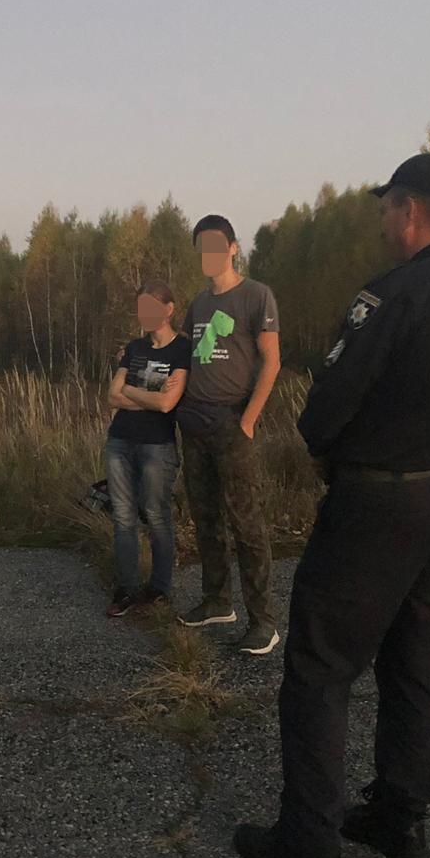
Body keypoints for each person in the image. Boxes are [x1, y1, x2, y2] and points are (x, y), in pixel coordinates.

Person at [234, 153, 430, 858]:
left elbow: (325, 410)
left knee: (319, 666)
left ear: (410, 210)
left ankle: (309, 840)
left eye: (386, 209)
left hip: (376, 503)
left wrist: (332, 449)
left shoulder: (390, 295)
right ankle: (400, 819)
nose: (383, 224)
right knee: (418, 665)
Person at [175, 214, 281, 655]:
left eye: (216, 245)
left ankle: (263, 622)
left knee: (246, 524)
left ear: (233, 248)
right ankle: (217, 602)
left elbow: (271, 361)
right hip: (195, 422)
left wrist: (248, 420)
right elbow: (180, 351)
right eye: (202, 247)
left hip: (232, 423)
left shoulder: (256, 295)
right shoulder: (199, 303)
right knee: (206, 518)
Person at [104, 280, 191, 616]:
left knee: (156, 515)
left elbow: (167, 404)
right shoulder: (134, 347)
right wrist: (148, 397)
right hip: (120, 441)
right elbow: (112, 396)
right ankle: (126, 588)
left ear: (169, 309)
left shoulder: (181, 349)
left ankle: (159, 588)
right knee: (123, 517)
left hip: (157, 446)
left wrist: (132, 392)